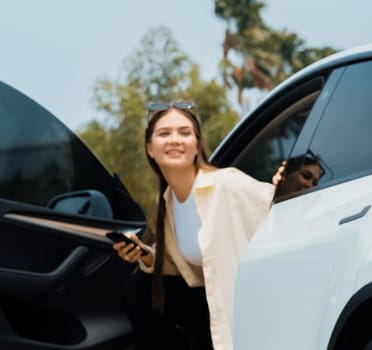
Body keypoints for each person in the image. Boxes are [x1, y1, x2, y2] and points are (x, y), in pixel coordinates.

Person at [112, 101, 277, 350]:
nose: (175, 140)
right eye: (164, 133)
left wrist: (286, 184)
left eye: (185, 133)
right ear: (150, 148)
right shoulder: (167, 201)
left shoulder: (226, 185)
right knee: (141, 287)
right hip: (209, 305)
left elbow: (276, 205)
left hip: (245, 304)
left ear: (197, 145)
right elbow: (183, 269)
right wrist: (145, 256)